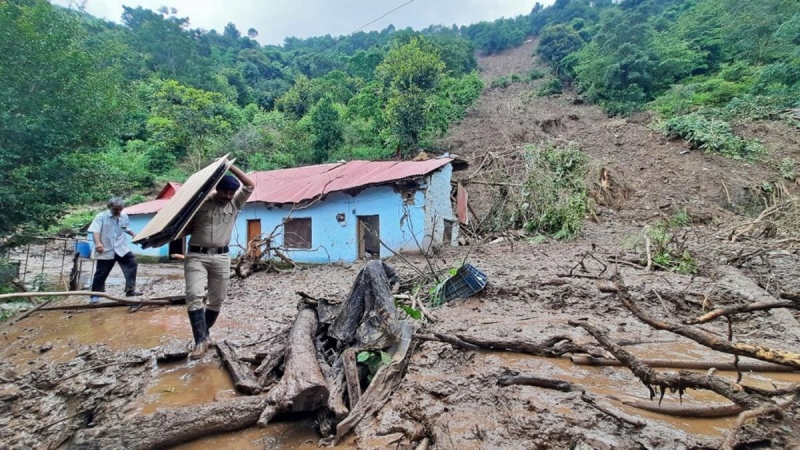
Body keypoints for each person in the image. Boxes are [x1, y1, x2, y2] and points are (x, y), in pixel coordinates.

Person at [183, 166, 255, 360]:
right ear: (216, 189)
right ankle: (199, 342)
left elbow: (250, 185)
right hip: (196, 256)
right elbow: (182, 225)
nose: (228, 196)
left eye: (231, 192)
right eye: (225, 192)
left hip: (222, 257)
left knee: (217, 299)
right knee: (194, 295)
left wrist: (229, 166)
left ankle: (204, 335)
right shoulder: (199, 204)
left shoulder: (235, 204)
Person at [88, 197, 141, 303]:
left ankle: (130, 290)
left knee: (132, 263)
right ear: (110, 207)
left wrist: (134, 235)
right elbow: (95, 231)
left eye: (120, 209)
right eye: (115, 209)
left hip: (121, 247)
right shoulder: (101, 217)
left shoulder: (124, 216)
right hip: (106, 248)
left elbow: (125, 227)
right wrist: (98, 243)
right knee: (101, 272)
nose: (118, 211)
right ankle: (95, 295)